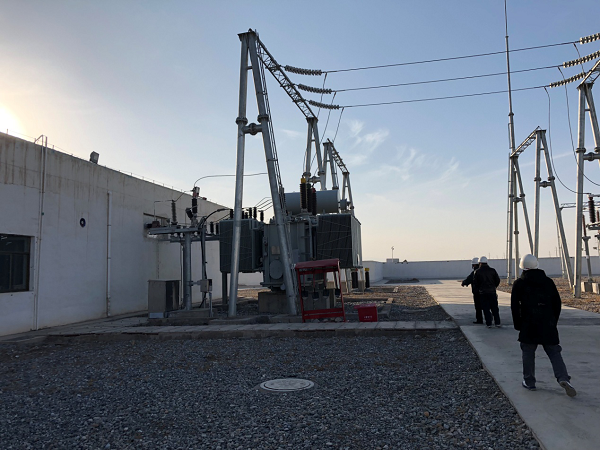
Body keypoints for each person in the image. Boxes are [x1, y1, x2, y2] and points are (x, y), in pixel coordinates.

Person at [510, 254, 576, 397]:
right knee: (554, 352)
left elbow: (514, 307)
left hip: (528, 323)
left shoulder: (519, 283)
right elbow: (557, 304)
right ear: (536, 265)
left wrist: (518, 325)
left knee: (528, 352)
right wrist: (553, 321)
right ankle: (563, 378)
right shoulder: (548, 282)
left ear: (522, 267)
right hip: (547, 323)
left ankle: (529, 381)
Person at [472, 256, 501, 328]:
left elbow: (475, 283)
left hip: (483, 293)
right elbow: (497, 280)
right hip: (492, 292)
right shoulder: (493, 270)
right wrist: (494, 287)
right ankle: (497, 322)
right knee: (494, 308)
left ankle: (489, 323)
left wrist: (479, 289)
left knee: (486, 308)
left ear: (480, 263)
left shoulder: (477, 272)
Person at [461, 257, 484, 324]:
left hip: (477, 292)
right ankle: (489, 317)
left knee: (478, 306)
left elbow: (469, 279)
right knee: (485, 305)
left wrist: (464, 283)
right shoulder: (486, 271)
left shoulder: (475, 272)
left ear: (474, 265)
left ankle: (479, 320)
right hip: (485, 291)